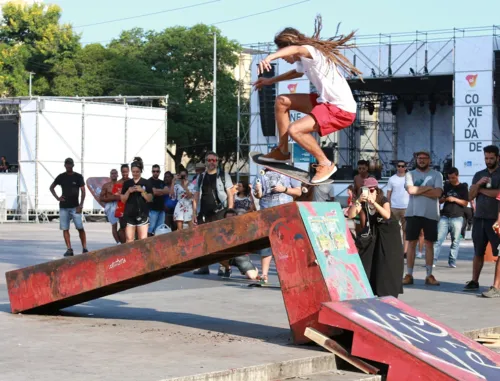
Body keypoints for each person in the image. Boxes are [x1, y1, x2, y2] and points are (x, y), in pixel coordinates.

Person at [253, 15, 361, 184]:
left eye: (283, 53)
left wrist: (269, 58)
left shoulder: (310, 51)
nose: (283, 58)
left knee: (295, 130)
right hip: (325, 102)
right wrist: (270, 81)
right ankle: (282, 151)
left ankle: (325, 163)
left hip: (341, 109)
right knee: (282, 101)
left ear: (289, 46)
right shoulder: (304, 59)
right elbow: (297, 72)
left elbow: (295, 50)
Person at [347, 177, 404, 297]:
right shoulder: (362, 201)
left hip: (389, 232)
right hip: (375, 232)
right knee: (368, 258)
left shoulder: (382, 199)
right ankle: (368, 288)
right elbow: (351, 215)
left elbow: (387, 215)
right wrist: (358, 201)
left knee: (386, 261)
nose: (370, 193)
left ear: (377, 190)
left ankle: (387, 292)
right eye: (368, 190)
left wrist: (374, 203)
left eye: (372, 190)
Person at [253, 169, 302, 283]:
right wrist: (257, 191)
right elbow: (258, 195)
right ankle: (264, 274)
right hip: (266, 212)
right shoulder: (261, 172)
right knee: (266, 244)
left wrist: (283, 189)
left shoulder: (290, 172)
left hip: (285, 213)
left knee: (285, 244)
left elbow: (298, 192)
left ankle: (288, 275)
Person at [403, 151, 443, 286]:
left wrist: (418, 189)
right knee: (412, 244)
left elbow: (437, 193)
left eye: (424, 158)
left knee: (429, 244)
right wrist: (427, 188)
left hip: (431, 214)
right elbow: (410, 191)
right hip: (413, 213)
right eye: (419, 158)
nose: (421, 160)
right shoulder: (410, 174)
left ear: (429, 160)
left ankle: (429, 275)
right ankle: (409, 274)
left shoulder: (437, 175)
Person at [465, 145, 500, 297]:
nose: (488, 161)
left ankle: (496, 286)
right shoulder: (479, 174)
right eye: (486, 158)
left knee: (498, 253)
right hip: (479, 218)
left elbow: (498, 193)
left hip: (495, 219)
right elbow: (470, 196)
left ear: (498, 157)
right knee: (478, 251)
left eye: (491, 158)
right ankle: (474, 281)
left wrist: (481, 190)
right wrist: (478, 185)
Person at [193, 151, 234, 275]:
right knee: (203, 241)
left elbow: (230, 194)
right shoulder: (200, 177)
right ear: (205, 162)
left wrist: (230, 211)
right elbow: (196, 195)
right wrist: (194, 213)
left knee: (221, 241)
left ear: (217, 162)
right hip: (204, 213)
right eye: (209, 160)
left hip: (221, 212)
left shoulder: (223, 175)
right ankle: (204, 266)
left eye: (214, 160)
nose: (212, 162)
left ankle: (223, 267)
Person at [49, 158, 88, 257]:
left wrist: (81, 205)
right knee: (65, 228)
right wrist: (58, 198)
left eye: (70, 164)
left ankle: (84, 247)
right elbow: (51, 187)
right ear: (65, 165)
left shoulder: (78, 177)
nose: (68, 166)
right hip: (64, 207)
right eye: (67, 164)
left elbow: (83, 191)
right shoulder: (61, 177)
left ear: (73, 165)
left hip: (75, 207)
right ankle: (69, 249)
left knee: (80, 227)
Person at [433, 167, 468, 268]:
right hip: (445, 216)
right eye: (449, 178)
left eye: (453, 178)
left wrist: (454, 199)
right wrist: (444, 199)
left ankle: (452, 261)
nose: (451, 180)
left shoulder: (463, 187)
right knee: (438, 239)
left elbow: (465, 203)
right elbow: (439, 200)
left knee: (455, 240)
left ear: (457, 176)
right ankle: (433, 260)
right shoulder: (446, 186)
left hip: (457, 217)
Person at [120, 157, 153, 243]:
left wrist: (142, 191)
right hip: (129, 214)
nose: (135, 174)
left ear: (141, 171)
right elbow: (123, 200)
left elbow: (150, 199)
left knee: (142, 239)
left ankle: (142, 256)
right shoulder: (127, 183)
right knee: (129, 239)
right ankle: (129, 256)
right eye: (133, 172)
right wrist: (128, 191)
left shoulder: (146, 182)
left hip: (142, 214)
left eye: (137, 172)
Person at [386, 160, 410, 255]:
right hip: (394, 207)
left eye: (402, 166)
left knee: (406, 230)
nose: (400, 168)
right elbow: (388, 194)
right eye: (398, 166)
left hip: (406, 207)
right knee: (394, 229)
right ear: (396, 167)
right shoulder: (392, 179)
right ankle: (395, 249)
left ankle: (405, 251)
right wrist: (388, 206)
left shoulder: (409, 178)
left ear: (405, 167)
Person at [99, 168, 121, 244]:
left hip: (120, 205)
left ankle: (122, 240)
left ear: (118, 175)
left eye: (115, 173)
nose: (114, 175)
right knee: (114, 225)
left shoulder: (121, 184)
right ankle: (118, 242)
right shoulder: (106, 186)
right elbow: (101, 198)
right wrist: (111, 198)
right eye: (112, 173)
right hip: (110, 206)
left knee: (123, 225)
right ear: (110, 175)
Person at [148, 164, 169, 236]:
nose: (155, 173)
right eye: (154, 171)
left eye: (157, 171)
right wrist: (162, 191)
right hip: (152, 209)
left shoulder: (162, 182)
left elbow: (167, 191)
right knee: (151, 228)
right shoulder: (149, 181)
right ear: (152, 172)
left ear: (159, 172)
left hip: (161, 209)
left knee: (159, 229)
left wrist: (159, 191)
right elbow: (155, 192)